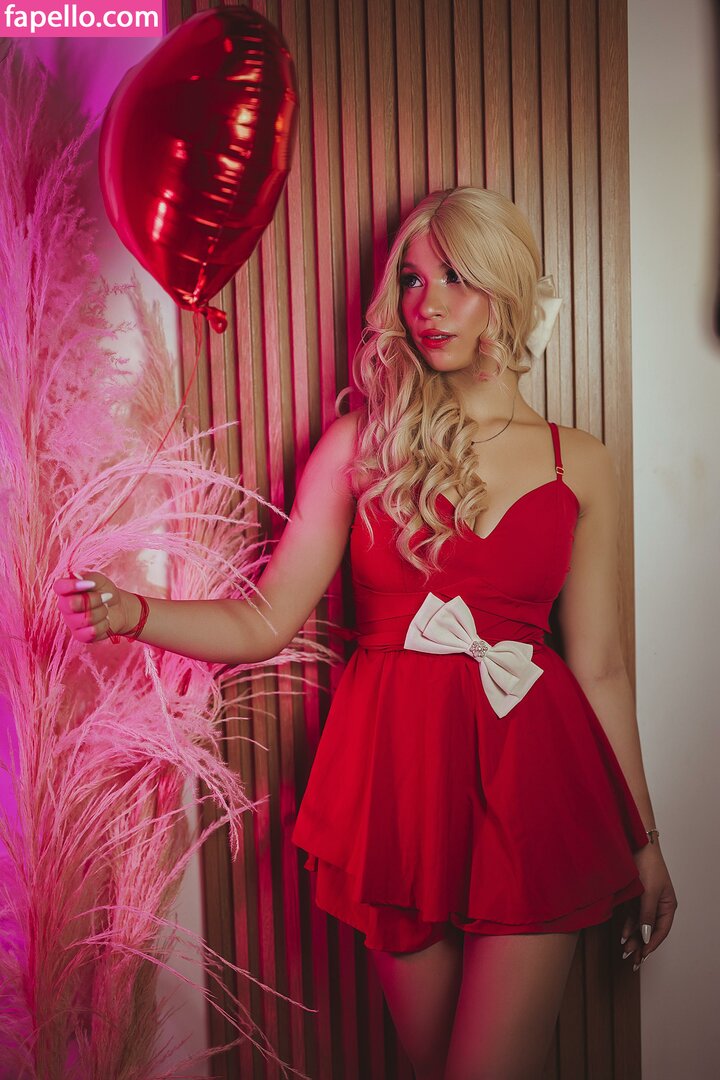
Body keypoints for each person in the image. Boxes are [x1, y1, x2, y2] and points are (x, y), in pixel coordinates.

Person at [54, 187, 677, 1079]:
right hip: (397, 787)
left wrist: (644, 841)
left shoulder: (579, 461)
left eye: (454, 277)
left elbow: (602, 667)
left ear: (505, 286)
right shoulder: (361, 444)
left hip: (536, 785)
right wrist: (133, 611)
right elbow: (264, 618)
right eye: (412, 281)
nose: (427, 305)